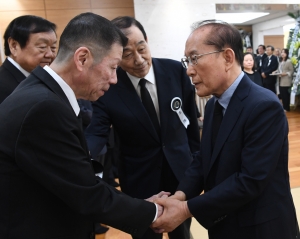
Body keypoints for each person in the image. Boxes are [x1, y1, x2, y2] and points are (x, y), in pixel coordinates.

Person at [0, 12, 167, 239]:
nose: (114, 79)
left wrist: (140, 205)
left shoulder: (43, 93)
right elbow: (86, 194)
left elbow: (78, 178)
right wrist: (155, 211)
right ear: (82, 59)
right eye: (113, 67)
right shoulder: (44, 108)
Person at [152, 19, 300, 239]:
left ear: (228, 57)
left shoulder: (263, 105)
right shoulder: (213, 105)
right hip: (224, 223)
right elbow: (204, 160)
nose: (189, 71)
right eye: (187, 61)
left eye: (195, 59)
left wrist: (185, 209)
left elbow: (250, 180)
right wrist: (179, 197)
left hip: (261, 228)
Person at [85, 16, 200, 239]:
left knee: (183, 233)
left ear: (147, 40)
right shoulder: (109, 85)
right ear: (115, 54)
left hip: (181, 173)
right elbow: (96, 132)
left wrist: (197, 162)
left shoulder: (175, 71)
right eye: (127, 54)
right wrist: (80, 158)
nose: (138, 59)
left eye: (141, 47)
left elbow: (191, 124)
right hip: (139, 180)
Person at [0, 15, 57, 104]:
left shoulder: (44, 76)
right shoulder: (3, 85)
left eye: (53, 47)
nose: (50, 54)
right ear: (14, 46)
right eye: (42, 46)